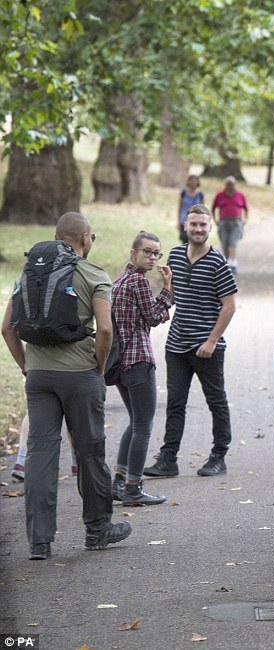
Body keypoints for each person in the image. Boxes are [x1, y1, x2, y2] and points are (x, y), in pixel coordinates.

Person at [1, 212, 132, 559]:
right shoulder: (93, 274)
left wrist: (28, 368)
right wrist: (99, 368)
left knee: (41, 456)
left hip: (39, 378)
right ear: (85, 238)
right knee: (89, 452)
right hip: (80, 376)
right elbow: (105, 330)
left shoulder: (29, 273)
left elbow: (6, 327)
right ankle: (97, 529)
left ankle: (39, 542)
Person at [144, 204, 238, 479]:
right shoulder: (174, 255)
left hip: (206, 347)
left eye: (203, 225)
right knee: (175, 403)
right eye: (193, 224)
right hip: (176, 344)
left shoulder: (217, 262)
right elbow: (174, 296)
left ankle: (219, 457)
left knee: (216, 401)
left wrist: (211, 341)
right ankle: (168, 459)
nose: (198, 229)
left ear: (210, 228)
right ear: (185, 226)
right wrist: (166, 289)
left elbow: (230, 306)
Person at [109, 231, 174, 506]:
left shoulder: (119, 280)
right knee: (144, 426)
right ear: (133, 252)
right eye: (147, 252)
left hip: (120, 362)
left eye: (157, 253)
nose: (152, 258)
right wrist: (168, 288)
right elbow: (155, 316)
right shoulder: (137, 281)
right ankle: (133, 488)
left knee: (135, 422)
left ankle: (120, 481)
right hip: (139, 361)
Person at [211, 176, 248, 274]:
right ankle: (226, 264)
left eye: (232, 184)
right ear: (225, 185)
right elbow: (213, 207)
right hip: (223, 221)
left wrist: (245, 219)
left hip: (236, 222)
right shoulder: (220, 195)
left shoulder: (240, 195)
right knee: (225, 244)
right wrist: (215, 220)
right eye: (228, 184)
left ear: (235, 185)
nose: (230, 186)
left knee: (233, 243)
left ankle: (233, 264)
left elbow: (245, 208)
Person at [176, 175, 204, 245]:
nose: (193, 183)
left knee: (194, 240)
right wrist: (178, 221)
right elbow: (180, 207)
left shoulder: (200, 195)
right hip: (184, 220)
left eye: (195, 181)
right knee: (184, 239)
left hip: (196, 221)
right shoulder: (183, 193)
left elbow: (203, 209)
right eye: (191, 180)